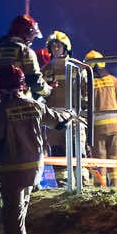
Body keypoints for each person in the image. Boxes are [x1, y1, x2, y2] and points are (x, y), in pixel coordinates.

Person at [0, 65, 76, 234]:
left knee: (12, 218)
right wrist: (70, 115)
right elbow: (58, 122)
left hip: (11, 170)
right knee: (20, 210)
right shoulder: (34, 106)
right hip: (34, 169)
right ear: (22, 86)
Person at [0, 14, 53, 201]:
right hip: (18, 106)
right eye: (32, 36)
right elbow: (35, 81)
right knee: (22, 143)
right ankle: (29, 183)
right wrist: (48, 91)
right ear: (26, 34)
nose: (32, 40)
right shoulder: (24, 52)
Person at [41, 30, 90, 187]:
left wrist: (83, 113)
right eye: (53, 46)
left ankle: (84, 186)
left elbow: (86, 93)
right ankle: (63, 185)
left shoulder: (77, 68)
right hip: (53, 120)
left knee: (78, 153)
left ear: (66, 47)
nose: (55, 49)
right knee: (57, 153)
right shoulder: (46, 70)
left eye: (59, 45)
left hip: (74, 118)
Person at [84, 50, 117, 187]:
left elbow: (82, 104)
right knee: (114, 158)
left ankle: (100, 188)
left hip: (97, 128)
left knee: (99, 160)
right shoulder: (112, 80)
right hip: (115, 127)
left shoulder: (87, 83)